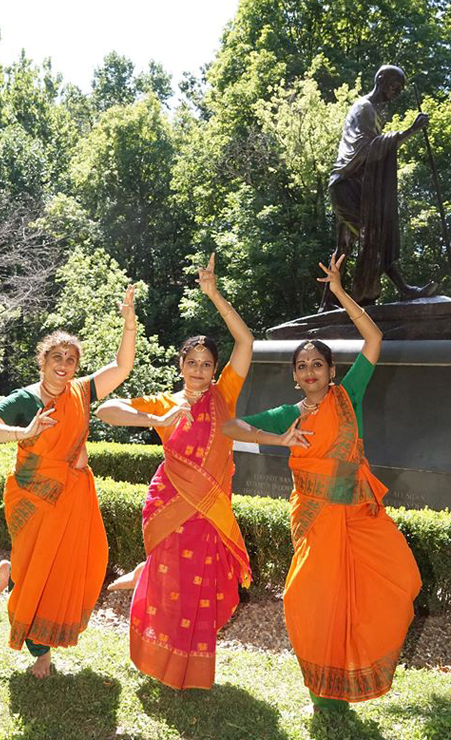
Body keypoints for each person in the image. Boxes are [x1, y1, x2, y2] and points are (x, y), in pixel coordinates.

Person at [223, 254, 421, 712]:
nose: (310, 371)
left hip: (360, 518)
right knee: (313, 601)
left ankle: (355, 677)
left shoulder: (348, 398)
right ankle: (322, 691)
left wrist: (338, 292)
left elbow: (373, 337)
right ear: (294, 376)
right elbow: (230, 427)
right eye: (302, 366)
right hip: (316, 522)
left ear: (332, 372)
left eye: (318, 364)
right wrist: (278, 436)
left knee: (397, 584)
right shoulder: (289, 412)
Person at [97, 254, 253, 690]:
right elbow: (107, 409)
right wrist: (154, 421)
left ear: (214, 368)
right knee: (170, 590)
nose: (199, 370)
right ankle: (160, 663)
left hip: (207, 511)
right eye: (192, 362)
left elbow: (247, 343)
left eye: (206, 363)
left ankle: (191, 668)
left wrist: (214, 294)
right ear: (180, 365)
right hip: (168, 506)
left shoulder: (225, 395)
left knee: (198, 589)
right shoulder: (165, 403)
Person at [0, 286, 137, 678]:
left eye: (71, 359)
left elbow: (122, 367)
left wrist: (129, 322)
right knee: (35, 569)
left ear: (76, 366)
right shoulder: (25, 399)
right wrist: (23, 431)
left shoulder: (80, 391)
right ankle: (36, 639)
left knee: (70, 566)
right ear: (43, 361)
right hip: (32, 496)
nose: (64, 363)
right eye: (57, 357)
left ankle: (39, 637)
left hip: (73, 495)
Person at [323, 64, 436, 310]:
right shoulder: (363, 108)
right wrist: (410, 131)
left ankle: (328, 302)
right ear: (382, 80)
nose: (397, 92)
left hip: (357, 185)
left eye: (401, 89)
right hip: (347, 184)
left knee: (344, 245)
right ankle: (403, 288)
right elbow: (364, 150)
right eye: (396, 86)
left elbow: (374, 149)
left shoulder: (374, 112)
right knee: (375, 232)